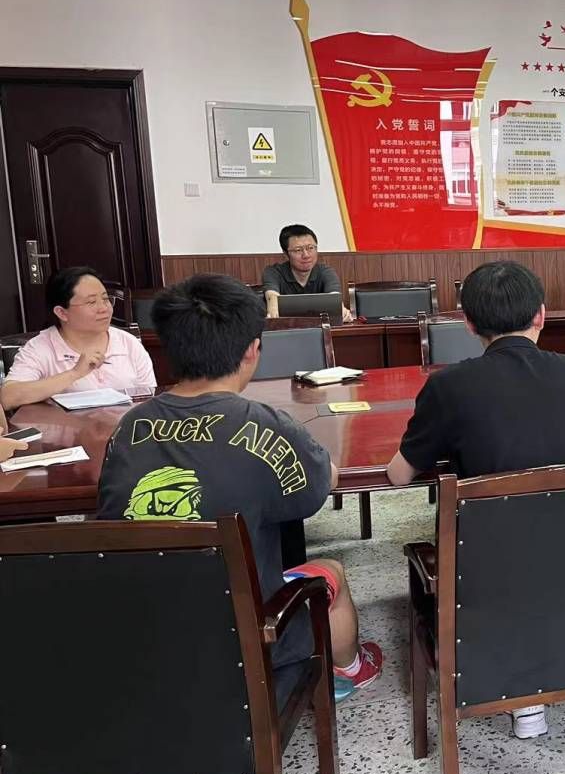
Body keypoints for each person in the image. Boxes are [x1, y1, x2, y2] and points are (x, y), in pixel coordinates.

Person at [97, 274, 382, 700]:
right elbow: (319, 487)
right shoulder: (265, 424)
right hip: (246, 629)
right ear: (252, 350)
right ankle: (351, 670)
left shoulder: (127, 427)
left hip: (144, 622)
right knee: (331, 571)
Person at [387, 260, 565, 738]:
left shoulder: (448, 386)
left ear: (467, 322)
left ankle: (518, 688)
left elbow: (398, 475)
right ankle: (551, 673)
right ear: (541, 315)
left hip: (486, 571)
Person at [1, 266, 155, 409]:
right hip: (66, 429)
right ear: (62, 313)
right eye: (91, 302)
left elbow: (149, 399)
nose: (104, 308)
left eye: (106, 299)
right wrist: (74, 373)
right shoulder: (40, 347)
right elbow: (8, 398)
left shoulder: (128, 343)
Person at [262, 224, 353, 322]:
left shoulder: (326, 272)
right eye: (298, 250)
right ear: (286, 254)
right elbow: (272, 299)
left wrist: (342, 312)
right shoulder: (274, 272)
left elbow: (335, 299)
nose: (306, 255)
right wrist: (273, 312)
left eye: (310, 248)